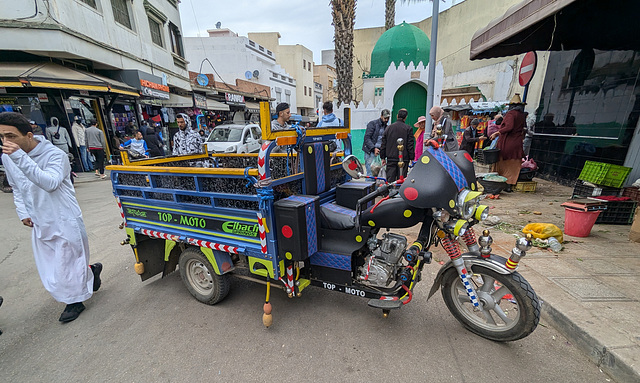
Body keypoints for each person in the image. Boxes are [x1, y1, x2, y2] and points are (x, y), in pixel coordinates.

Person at [0, 112, 102, 323]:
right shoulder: (8, 158)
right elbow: (17, 188)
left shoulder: (56, 155)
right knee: (52, 266)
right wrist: (24, 213)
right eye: (2, 137)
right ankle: (91, 272)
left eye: (11, 136)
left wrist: (20, 157)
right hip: (39, 220)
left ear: (28, 135)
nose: (6, 143)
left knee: (66, 264)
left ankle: (74, 302)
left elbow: (50, 183)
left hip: (64, 218)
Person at [490, 94, 527, 192]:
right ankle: (510, 183)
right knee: (514, 164)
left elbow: (509, 127)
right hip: (517, 142)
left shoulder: (511, 114)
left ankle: (504, 184)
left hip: (508, 142)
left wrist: (498, 132)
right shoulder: (521, 115)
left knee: (504, 163)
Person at [381, 109, 415, 182]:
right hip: (403, 158)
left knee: (390, 179)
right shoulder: (408, 128)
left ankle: (389, 192)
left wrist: (382, 157)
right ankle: (399, 193)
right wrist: (412, 157)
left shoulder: (389, 128)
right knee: (401, 179)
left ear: (397, 116)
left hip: (391, 158)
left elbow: (383, 143)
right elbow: (410, 145)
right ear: (405, 117)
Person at [362, 109, 390, 176]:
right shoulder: (373, 124)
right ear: (381, 116)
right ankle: (369, 186)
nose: (386, 120)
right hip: (370, 152)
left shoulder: (387, 127)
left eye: (388, 118)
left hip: (380, 153)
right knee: (370, 174)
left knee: (379, 175)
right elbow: (367, 138)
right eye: (385, 118)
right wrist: (373, 148)